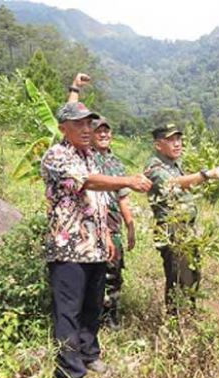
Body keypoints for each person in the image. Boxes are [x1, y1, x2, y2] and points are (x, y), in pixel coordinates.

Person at [40, 101, 151, 378]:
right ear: (64, 128)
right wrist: (128, 180)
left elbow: (98, 201)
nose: (87, 129)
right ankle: (69, 375)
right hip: (69, 249)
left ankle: (89, 355)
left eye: (89, 123)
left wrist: (106, 236)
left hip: (96, 247)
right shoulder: (57, 155)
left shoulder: (91, 156)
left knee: (92, 307)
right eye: (79, 124)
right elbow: (86, 183)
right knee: (69, 313)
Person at [68, 73, 135, 329]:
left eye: (107, 131)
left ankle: (110, 317)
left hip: (114, 226)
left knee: (114, 271)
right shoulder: (85, 156)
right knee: (91, 273)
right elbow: (69, 117)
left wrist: (130, 225)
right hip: (89, 225)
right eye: (99, 131)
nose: (104, 134)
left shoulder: (115, 162)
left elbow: (122, 197)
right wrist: (74, 88)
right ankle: (89, 318)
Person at [144, 123, 219, 314]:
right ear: (158, 145)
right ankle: (178, 321)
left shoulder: (175, 164)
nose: (177, 144)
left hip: (187, 228)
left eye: (178, 139)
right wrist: (206, 175)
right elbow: (171, 184)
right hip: (172, 230)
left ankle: (188, 315)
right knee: (179, 277)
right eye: (171, 140)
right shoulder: (154, 166)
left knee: (192, 275)